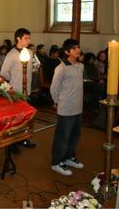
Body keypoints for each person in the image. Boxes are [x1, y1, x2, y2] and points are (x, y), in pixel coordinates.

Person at [50, 39, 84, 176]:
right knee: (62, 137)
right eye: (74, 48)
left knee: (75, 136)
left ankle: (68, 157)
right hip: (66, 108)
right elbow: (54, 88)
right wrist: (57, 102)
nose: (77, 50)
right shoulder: (61, 68)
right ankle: (56, 163)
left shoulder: (80, 66)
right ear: (66, 51)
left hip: (78, 107)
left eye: (78, 47)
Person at [0, 28, 36, 150]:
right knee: (15, 118)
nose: (28, 40)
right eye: (26, 38)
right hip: (16, 90)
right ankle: (12, 143)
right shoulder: (12, 54)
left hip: (27, 89)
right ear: (18, 39)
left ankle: (24, 138)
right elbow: (3, 72)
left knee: (26, 116)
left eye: (29, 38)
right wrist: (15, 80)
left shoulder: (29, 53)